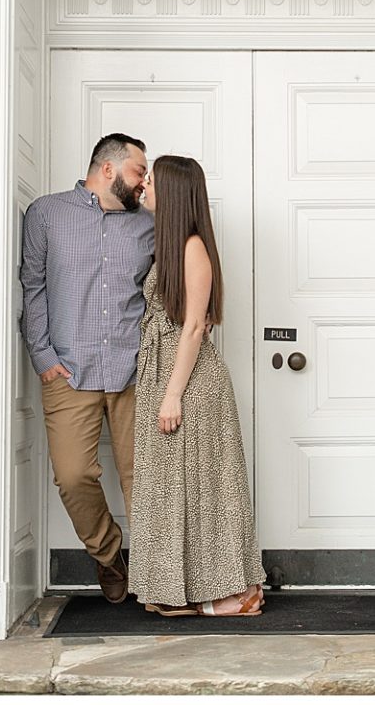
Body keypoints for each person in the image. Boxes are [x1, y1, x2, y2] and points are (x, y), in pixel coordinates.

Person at [127, 155, 266, 616]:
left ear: (174, 190)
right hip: (166, 376)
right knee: (170, 486)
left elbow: (192, 328)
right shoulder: (170, 246)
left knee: (204, 487)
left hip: (188, 383)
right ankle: (174, 587)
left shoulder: (192, 248)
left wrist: (172, 394)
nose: (144, 185)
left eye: (151, 179)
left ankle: (236, 595)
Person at [19, 133, 154, 602]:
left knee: (147, 477)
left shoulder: (151, 227)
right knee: (74, 476)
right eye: (139, 171)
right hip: (68, 371)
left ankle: (159, 578)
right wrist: (44, 357)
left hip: (134, 372)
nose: (145, 182)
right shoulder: (46, 214)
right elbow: (32, 288)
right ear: (109, 170)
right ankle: (108, 556)